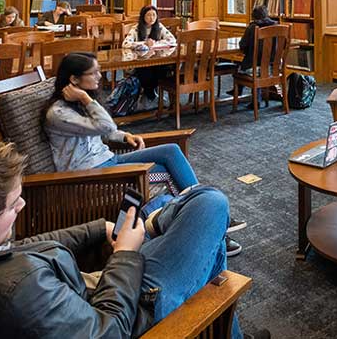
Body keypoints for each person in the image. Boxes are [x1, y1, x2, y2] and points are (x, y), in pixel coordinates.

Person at [0, 143, 269, 339]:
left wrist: (100, 229)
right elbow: (109, 330)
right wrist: (125, 252)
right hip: (134, 310)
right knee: (209, 203)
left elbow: (28, 248)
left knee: (184, 216)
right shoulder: (18, 290)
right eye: (14, 205)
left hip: (96, 290)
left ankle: (158, 221)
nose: (24, 205)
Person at [43, 52, 246, 255]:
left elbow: (99, 129)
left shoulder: (76, 104)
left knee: (171, 151)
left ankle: (210, 217)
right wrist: (86, 99)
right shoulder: (59, 113)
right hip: (89, 173)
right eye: (94, 73)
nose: (99, 76)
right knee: (166, 173)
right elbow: (104, 125)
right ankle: (213, 226)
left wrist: (124, 136)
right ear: (74, 79)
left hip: (107, 159)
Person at [122, 5, 177, 106]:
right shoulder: (136, 29)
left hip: (157, 60)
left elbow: (172, 40)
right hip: (139, 61)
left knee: (163, 68)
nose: (151, 18)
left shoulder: (159, 27)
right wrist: (143, 44)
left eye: (154, 15)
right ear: (143, 16)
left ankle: (149, 94)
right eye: (148, 15)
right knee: (145, 71)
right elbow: (125, 44)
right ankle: (151, 94)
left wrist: (157, 43)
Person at [238, 5, 277, 71]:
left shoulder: (252, 28)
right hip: (273, 68)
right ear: (266, 15)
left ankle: (239, 81)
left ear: (253, 16)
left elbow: (242, 45)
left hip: (254, 68)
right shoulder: (276, 27)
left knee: (238, 71)